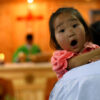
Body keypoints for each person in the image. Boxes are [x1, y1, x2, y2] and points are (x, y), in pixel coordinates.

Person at [49, 7, 100, 80]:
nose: (70, 33)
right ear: (55, 40)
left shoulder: (93, 48)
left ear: (85, 29)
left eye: (74, 26)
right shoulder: (58, 57)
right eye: (62, 30)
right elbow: (75, 63)